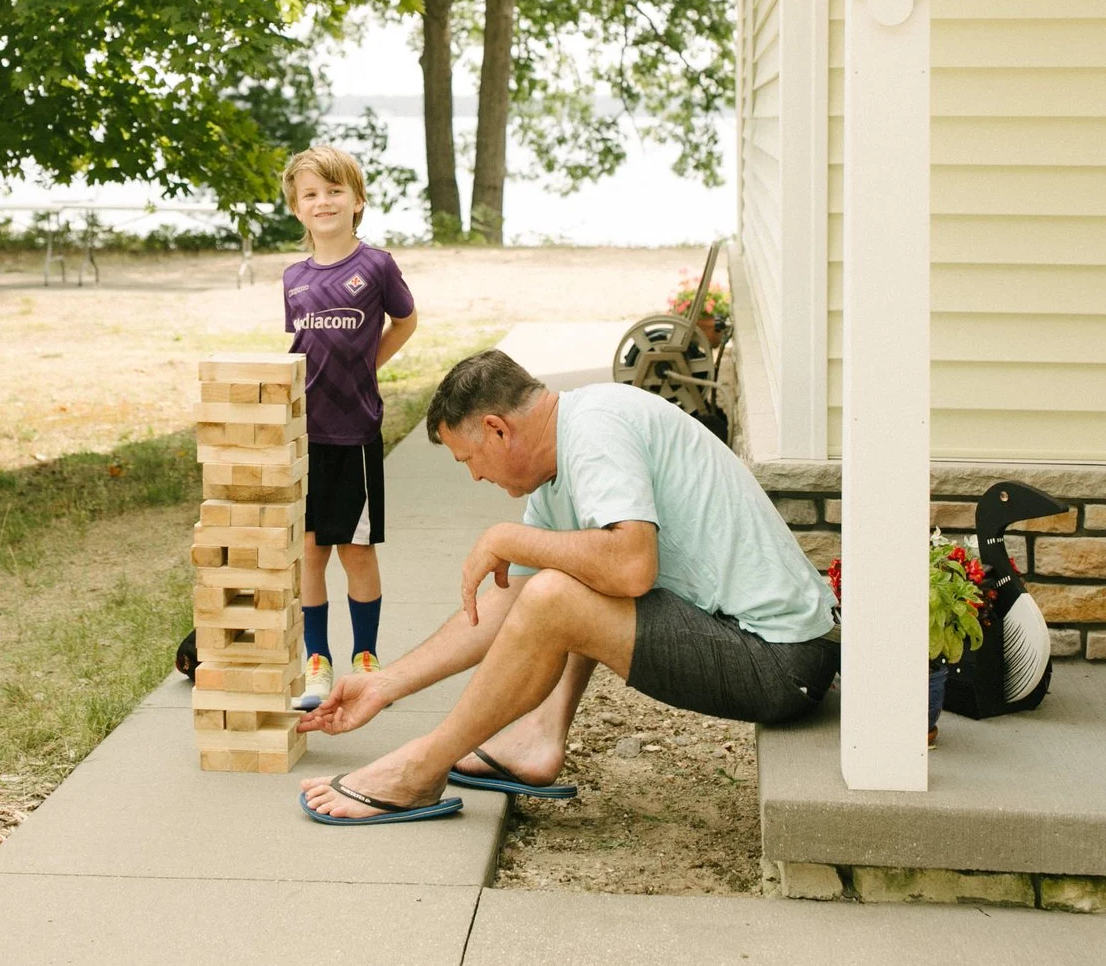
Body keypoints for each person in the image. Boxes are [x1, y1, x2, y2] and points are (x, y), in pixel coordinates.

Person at [296, 349, 836, 825]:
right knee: (565, 573)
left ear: (498, 429)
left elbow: (630, 568)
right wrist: (387, 683)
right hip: (753, 644)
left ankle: (420, 768)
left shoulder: (595, 432)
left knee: (561, 590)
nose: (475, 478)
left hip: (783, 663)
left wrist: (509, 538)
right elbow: (507, 606)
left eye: (470, 459)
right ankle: (539, 738)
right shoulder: (562, 463)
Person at [279, 146, 418, 712]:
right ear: (297, 209)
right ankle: (317, 661)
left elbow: (406, 322)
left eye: (334, 191)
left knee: (355, 551)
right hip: (306, 439)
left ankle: (365, 657)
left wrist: (369, 368)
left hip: (355, 434)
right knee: (310, 551)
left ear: (357, 201)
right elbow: (301, 351)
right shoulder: (292, 279)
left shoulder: (376, 266)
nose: (324, 202)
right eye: (310, 194)